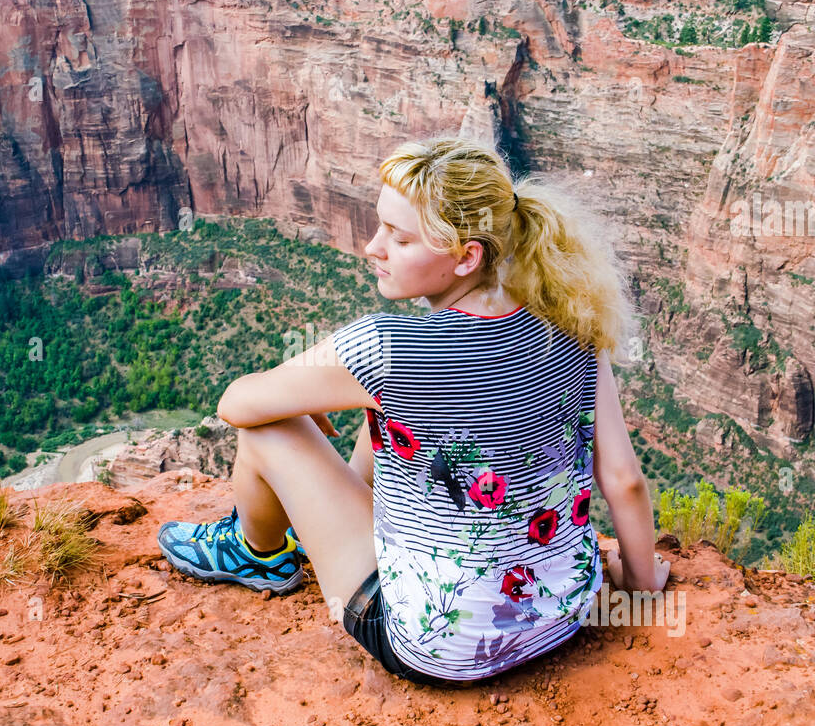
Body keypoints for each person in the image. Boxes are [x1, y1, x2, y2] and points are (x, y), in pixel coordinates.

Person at [157, 134, 670, 687]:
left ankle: (258, 555)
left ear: (465, 256)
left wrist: (307, 397)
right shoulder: (575, 323)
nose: (372, 248)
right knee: (388, 412)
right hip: (560, 617)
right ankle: (321, 525)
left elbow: (236, 403)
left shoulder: (386, 344)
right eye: (379, 227)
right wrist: (640, 589)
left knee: (272, 431)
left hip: (437, 649)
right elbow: (624, 480)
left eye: (399, 239)